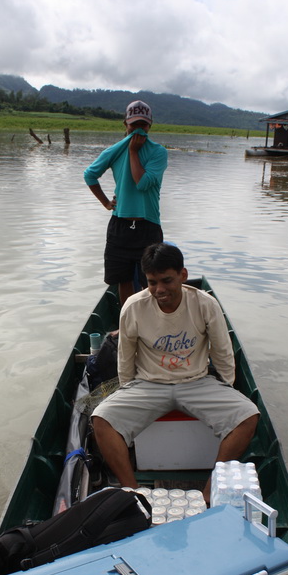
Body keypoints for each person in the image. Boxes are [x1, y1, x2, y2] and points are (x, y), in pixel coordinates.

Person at [91, 243, 259, 503]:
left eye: (167, 280)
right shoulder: (134, 307)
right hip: (149, 384)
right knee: (101, 419)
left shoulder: (205, 304)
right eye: (152, 282)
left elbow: (222, 351)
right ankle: (133, 492)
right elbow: (126, 356)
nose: (160, 290)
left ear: (182, 275)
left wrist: (227, 389)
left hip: (196, 382)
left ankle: (210, 488)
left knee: (247, 416)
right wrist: (126, 391)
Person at [84, 101, 168, 306]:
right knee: (123, 279)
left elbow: (142, 183)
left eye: (143, 124)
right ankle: (128, 325)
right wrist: (106, 203)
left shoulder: (158, 152)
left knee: (151, 280)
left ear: (150, 125)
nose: (138, 129)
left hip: (147, 225)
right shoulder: (114, 151)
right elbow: (90, 175)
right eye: (133, 124)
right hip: (120, 224)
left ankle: (150, 323)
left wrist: (133, 152)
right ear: (125, 124)